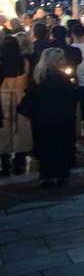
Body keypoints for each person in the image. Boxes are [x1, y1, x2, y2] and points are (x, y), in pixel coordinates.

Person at [22, 48, 78, 188]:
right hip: (62, 117)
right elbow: (73, 95)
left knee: (46, 148)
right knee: (61, 147)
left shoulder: (38, 77)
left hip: (43, 118)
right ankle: (61, 175)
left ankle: (47, 176)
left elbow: (30, 96)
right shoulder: (61, 78)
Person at [0, 35, 32, 176]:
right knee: (21, 131)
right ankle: (19, 162)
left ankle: (5, 164)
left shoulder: (1, 62)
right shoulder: (24, 62)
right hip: (21, 98)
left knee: (3, 132)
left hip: (2, 98)